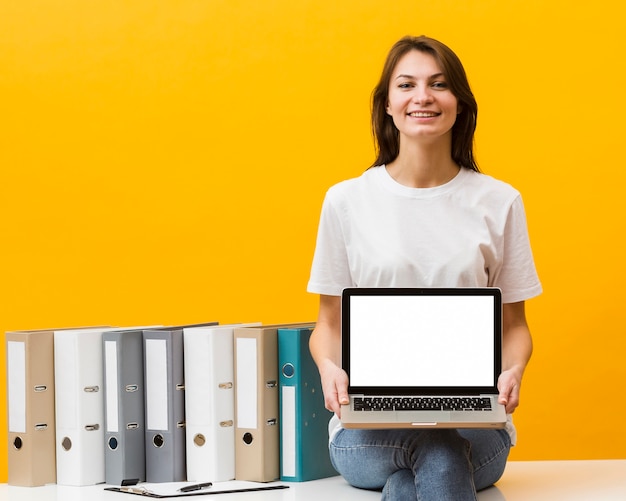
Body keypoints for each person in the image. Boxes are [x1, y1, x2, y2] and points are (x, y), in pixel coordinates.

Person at [307, 35, 542, 501]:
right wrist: (329, 368)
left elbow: (515, 326)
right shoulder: (347, 201)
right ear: (388, 105)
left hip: (474, 429)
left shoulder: (499, 202)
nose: (423, 96)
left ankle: (402, 489)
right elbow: (328, 323)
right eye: (407, 84)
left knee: (428, 461)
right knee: (437, 450)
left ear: (460, 104)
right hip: (368, 431)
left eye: (439, 84)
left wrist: (513, 370)